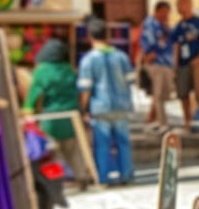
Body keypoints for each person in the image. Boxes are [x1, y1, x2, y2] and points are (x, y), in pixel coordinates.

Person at [22, 38, 91, 188]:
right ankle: (82, 176)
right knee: (73, 150)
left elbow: (34, 94)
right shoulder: (69, 69)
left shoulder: (41, 71)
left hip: (51, 118)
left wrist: (27, 110)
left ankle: (57, 180)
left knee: (53, 152)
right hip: (72, 117)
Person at [77, 17, 135, 185]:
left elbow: (85, 88)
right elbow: (131, 79)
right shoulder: (121, 56)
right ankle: (127, 175)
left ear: (90, 36)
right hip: (122, 106)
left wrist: (83, 108)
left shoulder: (88, 60)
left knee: (102, 144)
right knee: (123, 142)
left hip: (100, 107)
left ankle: (104, 177)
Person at [171, 0, 199, 130]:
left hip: (197, 63)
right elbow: (175, 46)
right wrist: (174, 65)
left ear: (188, 4)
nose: (178, 8)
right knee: (183, 93)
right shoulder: (178, 26)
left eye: (180, 4)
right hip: (183, 64)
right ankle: (187, 121)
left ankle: (198, 116)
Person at [139, 0, 173, 129]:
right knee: (158, 94)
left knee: (161, 94)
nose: (166, 15)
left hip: (165, 64)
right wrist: (149, 55)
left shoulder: (163, 25)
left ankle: (152, 119)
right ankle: (162, 122)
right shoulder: (150, 24)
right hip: (156, 63)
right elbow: (148, 41)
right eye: (164, 12)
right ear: (157, 11)